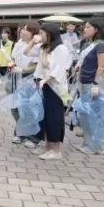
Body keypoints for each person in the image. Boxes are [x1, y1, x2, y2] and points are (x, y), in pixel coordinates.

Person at [33, 22, 72, 160]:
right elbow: (39, 66)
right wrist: (37, 79)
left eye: (42, 34)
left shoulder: (61, 48)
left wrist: (45, 80)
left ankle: (56, 150)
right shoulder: (44, 48)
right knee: (46, 117)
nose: (39, 36)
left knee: (55, 118)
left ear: (49, 34)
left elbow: (59, 70)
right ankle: (47, 146)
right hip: (46, 86)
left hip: (57, 88)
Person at [75, 18, 104, 155]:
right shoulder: (87, 44)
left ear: (96, 29)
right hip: (83, 81)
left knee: (93, 115)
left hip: (92, 83)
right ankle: (87, 143)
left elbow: (101, 66)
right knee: (84, 114)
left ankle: (97, 146)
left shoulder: (101, 45)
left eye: (88, 27)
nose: (85, 29)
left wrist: (96, 84)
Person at [9, 21, 41, 147]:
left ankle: (33, 137)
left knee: (29, 108)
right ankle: (20, 132)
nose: (21, 31)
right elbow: (14, 59)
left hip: (31, 79)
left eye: (25, 30)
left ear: (33, 33)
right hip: (17, 78)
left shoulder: (38, 46)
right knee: (15, 107)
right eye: (21, 29)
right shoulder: (19, 44)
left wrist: (23, 70)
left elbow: (36, 65)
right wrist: (12, 65)